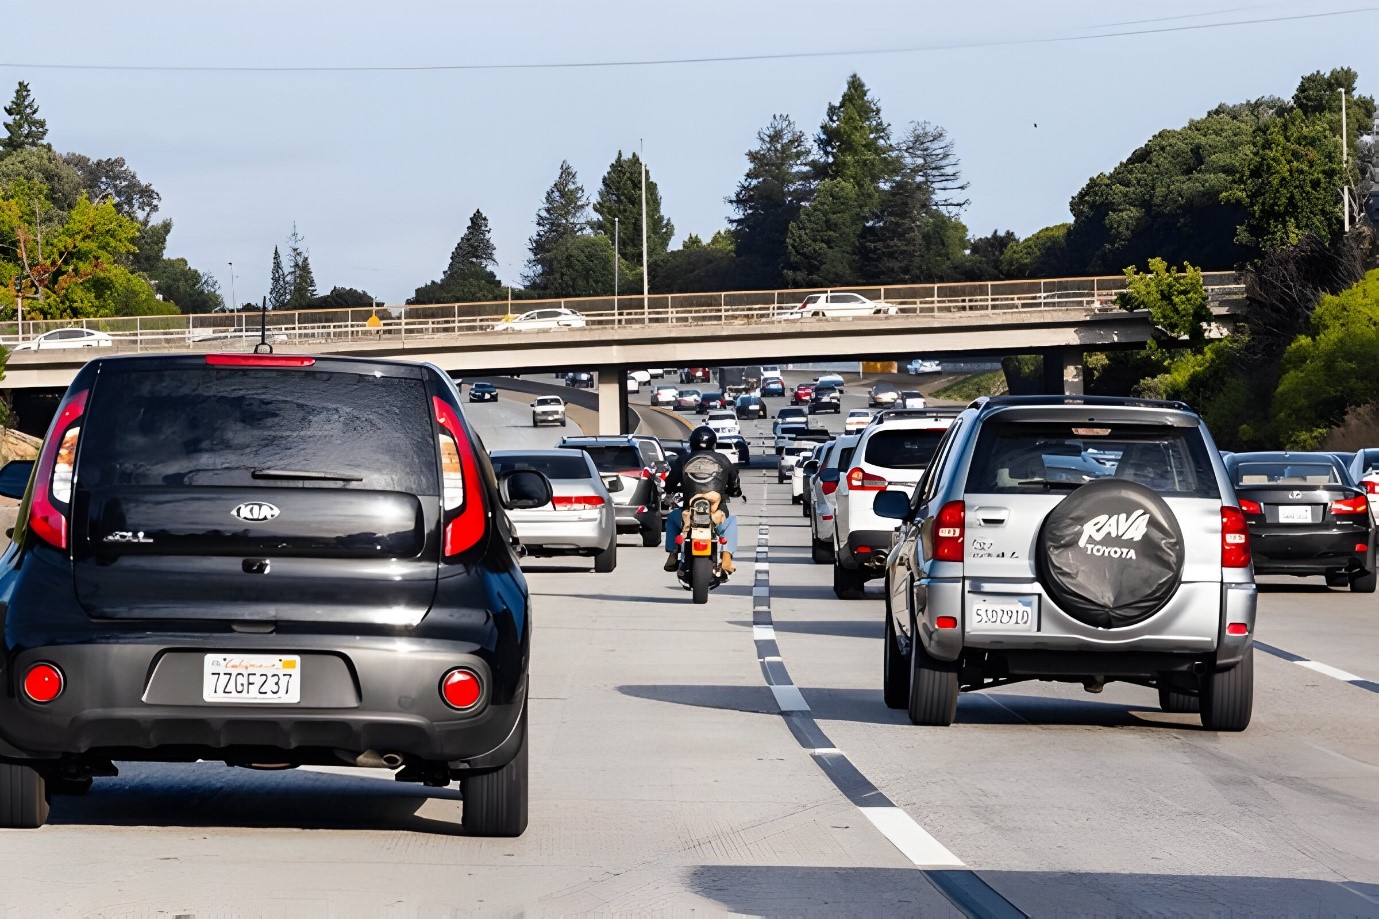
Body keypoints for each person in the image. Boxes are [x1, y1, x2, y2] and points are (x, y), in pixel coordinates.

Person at [663, 425, 742, 574]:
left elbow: (669, 484)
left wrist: (672, 489)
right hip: (716, 515)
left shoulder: (683, 460)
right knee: (731, 523)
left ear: (691, 443)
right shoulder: (723, 460)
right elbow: (735, 484)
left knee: (672, 518)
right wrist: (734, 491)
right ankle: (726, 557)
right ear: (714, 443)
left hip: (688, 514)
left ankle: (673, 554)